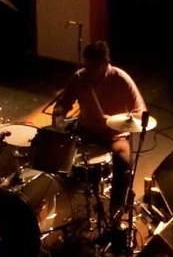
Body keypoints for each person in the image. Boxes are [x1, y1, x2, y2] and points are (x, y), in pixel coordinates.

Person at [52, 40, 147, 219]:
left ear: (105, 64)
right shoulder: (80, 78)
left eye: (94, 67)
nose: (89, 71)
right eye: (86, 66)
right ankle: (67, 208)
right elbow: (63, 104)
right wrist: (59, 114)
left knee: (123, 161)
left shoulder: (121, 79)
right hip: (85, 131)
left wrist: (117, 120)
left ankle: (116, 211)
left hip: (114, 136)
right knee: (59, 155)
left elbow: (140, 113)